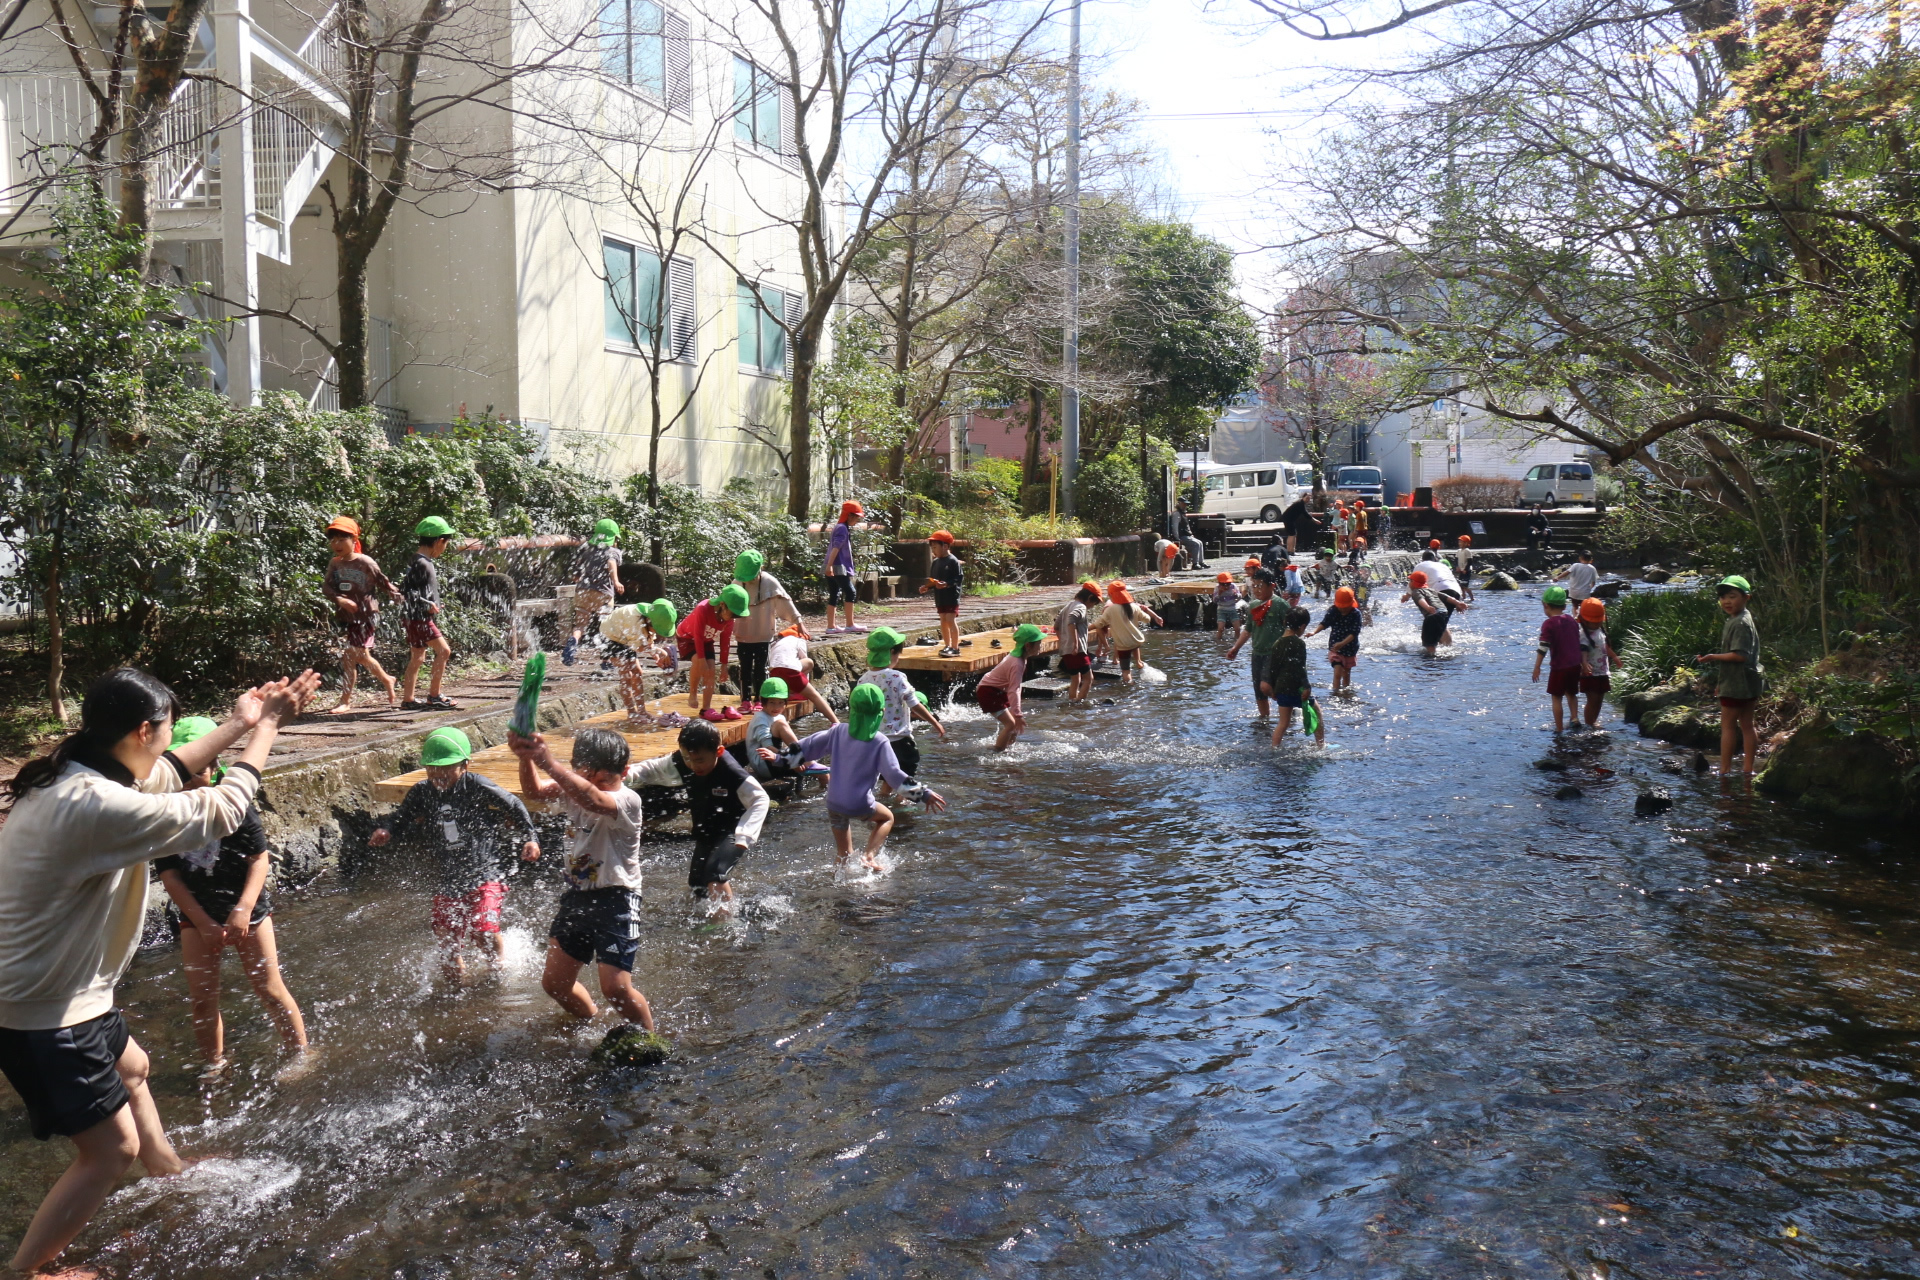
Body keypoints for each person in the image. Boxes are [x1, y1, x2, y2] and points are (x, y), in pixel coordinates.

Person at [0, 665, 318, 1277]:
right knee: (107, 1152)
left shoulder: (77, 774)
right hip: (43, 1010)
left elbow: (165, 775)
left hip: (71, 994)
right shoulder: (92, 805)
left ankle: (167, 1170)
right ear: (145, 730)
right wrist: (269, 729)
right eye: (167, 732)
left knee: (136, 1068)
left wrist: (237, 725)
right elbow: (223, 808)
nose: (170, 745)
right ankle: (27, 1269)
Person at [153, 717, 308, 1074]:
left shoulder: (233, 804)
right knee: (202, 1001)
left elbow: (258, 859)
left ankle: (299, 1052)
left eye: (198, 773)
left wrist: (243, 909)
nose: (190, 783)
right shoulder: (169, 812)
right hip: (197, 912)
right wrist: (204, 922)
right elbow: (170, 875)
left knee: (269, 988)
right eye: (184, 775)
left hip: (247, 909)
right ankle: (215, 1064)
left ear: (216, 765)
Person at [508, 727, 656, 1030]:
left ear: (624, 773)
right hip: (578, 895)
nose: (593, 785)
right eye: (587, 777)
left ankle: (650, 1039)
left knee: (615, 989)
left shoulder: (628, 801)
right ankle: (591, 1020)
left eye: (604, 780)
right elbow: (534, 793)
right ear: (577, 770)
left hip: (618, 897)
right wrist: (525, 759)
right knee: (555, 984)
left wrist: (548, 761)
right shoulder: (573, 787)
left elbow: (594, 801)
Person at [368, 727, 540, 981]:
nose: (438, 775)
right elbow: (402, 815)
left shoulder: (477, 786)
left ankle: (497, 973)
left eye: (446, 769)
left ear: (465, 765)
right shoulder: (422, 791)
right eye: (432, 769)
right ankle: (455, 988)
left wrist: (530, 837)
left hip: (486, 874)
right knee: (446, 938)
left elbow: (513, 803)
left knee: (483, 931)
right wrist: (387, 829)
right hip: (450, 877)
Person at [796, 685, 948, 873]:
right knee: (887, 818)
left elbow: (805, 746)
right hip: (859, 803)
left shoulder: (837, 732)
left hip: (834, 803)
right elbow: (894, 777)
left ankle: (840, 887)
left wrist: (779, 758)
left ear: (852, 710)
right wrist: (924, 794)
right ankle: (869, 856)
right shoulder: (879, 741)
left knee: (843, 855)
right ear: (881, 712)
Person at [625, 719, 770, 915]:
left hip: (732, 833)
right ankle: (702, 917)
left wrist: (744, 835)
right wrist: (623, 775)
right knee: (697, 884)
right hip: (706, 831)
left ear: (718, 751)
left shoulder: (731, 772)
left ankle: (726, 923)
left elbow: (761, 800)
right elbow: (650, 769)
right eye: (687, 758)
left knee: (715, 874)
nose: (693, 765)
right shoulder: (684, 760)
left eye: (699, 760)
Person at [322, 516, 400, 713]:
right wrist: (339, 599)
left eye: (341, 539)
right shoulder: (335, 563)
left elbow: (382, 581)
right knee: (357, 656)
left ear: (354, 540)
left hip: (366, 614)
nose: (336, 544)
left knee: (351, 654)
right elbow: (327, 587)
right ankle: (385, 679)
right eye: (333, 540)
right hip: (348, 616)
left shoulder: (365, 561)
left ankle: (345, 701)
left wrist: (395, 593)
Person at [1696, 575, 1763, 783]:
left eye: (1732, 596)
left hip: (1737, 683)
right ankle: (1747, 769)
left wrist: (1711, 657)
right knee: (1747, 725)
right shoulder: (1742, 617)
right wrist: (1719, 683)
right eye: (1723, 597)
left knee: (1728, 726)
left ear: (1746, 597)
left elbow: (1739, 655)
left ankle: (1724, 770)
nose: (1726, 601)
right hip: (1749, 681)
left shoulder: (1740, 623)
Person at [857, 627, 947, 776]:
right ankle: (900, 799)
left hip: (875, 740)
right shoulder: (897, 677)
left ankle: (884, 797)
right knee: (905, 776)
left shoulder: (863, 680)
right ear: (892, 652)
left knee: (887, 774)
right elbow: (915, 704)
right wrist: (935, 723)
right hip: (898, 739)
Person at [730, 549, 804, 713]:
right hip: (743, 635)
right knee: (745, 668)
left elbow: (786, 602)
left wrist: (798, 622)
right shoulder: (737, 583)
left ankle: (760, 699)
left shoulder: (769, 582)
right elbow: (727, 607)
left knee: (761, 669)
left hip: (763, 635)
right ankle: (746, 700)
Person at [400, 516, 458, 710]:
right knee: (444, 651)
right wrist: (427, 604)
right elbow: (407, 591)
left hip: (412, 617)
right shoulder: (423, 563)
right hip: (419, 618)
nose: (445, 547)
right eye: (446, 543)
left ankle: (408, 699)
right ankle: (434, 695)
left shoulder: (418, 561)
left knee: (417, 657)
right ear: (439, 541)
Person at [677, 583, 749, 722]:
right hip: (687, 638)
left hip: (706, 640)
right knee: (699, 661)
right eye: (732, 613)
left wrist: (724, 665)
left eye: (736, 615)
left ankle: (706, 709)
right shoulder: (703, 608)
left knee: (711, 669)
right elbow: (697, 635)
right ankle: (692, 693)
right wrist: (702, 659)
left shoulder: (729, 620)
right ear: (722, 604)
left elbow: (725, 641)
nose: (733, 617)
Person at [974, 623, 1044, 751]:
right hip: (989, 692)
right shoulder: (1017, 663)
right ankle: (997, 754)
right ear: (1028, 646)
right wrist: (1018, 714)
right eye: (1038, 642)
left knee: (1014, 725)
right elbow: (1014, 690)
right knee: (1011, 724)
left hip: (997, 691)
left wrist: (1017, 713)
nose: (1041, 645)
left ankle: (1007, 747)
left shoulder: (1019, 656)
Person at [563, 518, 623, 666]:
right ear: (613, 537)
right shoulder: (612, 551)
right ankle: (605, 660)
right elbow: (611, 562)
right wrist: (615, 581)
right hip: (603, 593)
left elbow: (576, 574)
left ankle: (574, 641)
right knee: (606, 627)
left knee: (580, 625)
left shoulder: (587, 551)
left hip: (583, 591)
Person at [1225, 569, 1284, 719]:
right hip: (1257, 653)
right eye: (1254, 586)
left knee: (1266, 686)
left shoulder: (1280, 605)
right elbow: (1248, 630)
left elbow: (1291, 628)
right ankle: (1264, 720)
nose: (1256, 589)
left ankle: (1287, 700)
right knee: (1259, 691)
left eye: (1260, 586)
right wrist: (1236, 648)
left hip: (1274, 653)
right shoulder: (1253, 605)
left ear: (1272, 586)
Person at [1265, 608, 1324, 748]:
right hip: (1297, 689)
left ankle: (1275, 748)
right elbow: (1300, 667)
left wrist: (1273, 689)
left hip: (1281, 689)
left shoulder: (1277, 643)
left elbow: (1273, 668)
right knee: (1317, 713)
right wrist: (1307, 686)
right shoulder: (1298, 643)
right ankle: (1321, 746)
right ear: (1302, 626)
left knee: (1283, 722)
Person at [1531, 585, 1582, 731]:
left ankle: (1559, 728)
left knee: (1556, 697)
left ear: (1545, 605)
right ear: (1564, 606)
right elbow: (1577, 641)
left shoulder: (1548, 624)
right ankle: (1574, 718)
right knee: (1572, 693)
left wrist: (1537, 667)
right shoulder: (1572, 620)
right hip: (1575, 665)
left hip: (1559, 667)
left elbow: (1543, 647)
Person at [1093, 581, 1162, 685]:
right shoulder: (1134, 606)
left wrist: (1086, 628)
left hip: (1124, 645)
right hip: (1136, 641)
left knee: (1125, 671)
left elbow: (1098, 624)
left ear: (1111, 595)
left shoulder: (1110, 609)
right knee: (1131, 645)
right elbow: (1147, 619)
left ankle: (1129, 687)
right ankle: (1139, 664)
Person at [769, 624, 837, 725]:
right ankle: (836, 723)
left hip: (773, 672)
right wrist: (805, 687)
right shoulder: (799, 640)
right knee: (815, 694)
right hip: (790, 670)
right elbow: (802, 660)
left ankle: (789, 692)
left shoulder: (776, 643)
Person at [746, 677, 810, 783]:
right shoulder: (760, 718)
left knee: (813, 765)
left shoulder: (779, 717)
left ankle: (823, 784)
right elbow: (768, 747)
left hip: (775, 759)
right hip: (764, 764)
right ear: (763, 701)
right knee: (781, 725)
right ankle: (798, 755)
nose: (777, 707)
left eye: (780, 703)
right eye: (772, 702)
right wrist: (791, 762)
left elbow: (785, 744)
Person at [1308, 585, 1364, 694]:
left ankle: (1346, 693)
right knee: (1337, 672)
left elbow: (1354, 633)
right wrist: (1314, 632)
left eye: (1345, 607)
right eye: (1341, 607)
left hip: (1350, 647)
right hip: (1335, 648)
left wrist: (1342, 643)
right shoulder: (1333, 611)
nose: (1343, 609)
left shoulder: (1356, 614)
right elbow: (1324, 624)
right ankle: (1335, 693)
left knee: (1346, 673)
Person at [920, 530, 965, 656]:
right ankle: (947, 645)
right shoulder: (935, 562)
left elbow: (959, 578)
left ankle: (955, 647)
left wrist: (946, 584)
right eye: (932, 548)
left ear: (945, 546)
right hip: (940, 597)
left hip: (951, 595)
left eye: (935, 547)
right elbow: (933, 580)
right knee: (943, 620)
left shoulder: (953, 561)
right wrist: (926, 587)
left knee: (950, 619)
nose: (933, 550)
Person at [1055, 580, 1101, 702]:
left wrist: (1064, 641)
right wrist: (1075, 644)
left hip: (1066, 650)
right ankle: (1080, 703)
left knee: (1075, 679)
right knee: (1089, 678)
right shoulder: (1081, 607)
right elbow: (1071, 620)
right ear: (1090, 598)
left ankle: (1072, 702)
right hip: (1078, 650)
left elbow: (1056, 626)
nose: (1092, 607)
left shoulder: (1068, 605)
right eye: (1094, 603)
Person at [823, 501, 865, 634]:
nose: (857, 520)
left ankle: (831, 626)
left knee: (834, 594)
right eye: (856, 517)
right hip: (838, 566)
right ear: (849, 515)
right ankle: (850, 624)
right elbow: (836, 548)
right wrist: (830, 566)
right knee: (851, 592)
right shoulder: (842, 528)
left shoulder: (839, 527)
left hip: (832, 565)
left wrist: (828, 566)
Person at [1577, 597, 1619, 728]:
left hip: (1602, 671)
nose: (1596, 624)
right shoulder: (1583, 633)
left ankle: (1593, 720)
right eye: (1593, 622)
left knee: (1600, 697)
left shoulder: (1599, 630)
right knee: (1592, 699)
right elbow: (1582, 650)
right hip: (1589, 672)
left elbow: (1605, 647)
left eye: (1598, 622)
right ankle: (1589, 723)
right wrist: (1584, 663)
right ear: (1584, 620)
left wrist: (1615, 657)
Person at [1404, 570, 1450, 657]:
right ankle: (1447, 648)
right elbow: (1445, 596)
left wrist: (1427, 607)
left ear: (1413, 582)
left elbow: (1421, 600)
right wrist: (1458, 603)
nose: (1409, 583)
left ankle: (1431, 656)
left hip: (1432, 615)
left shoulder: (1416, 591)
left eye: (1410, 581)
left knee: (1428, 641)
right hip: (1443, 612)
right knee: (1438, 634)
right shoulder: (1431, 590)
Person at [1176, 500, 1208, 569]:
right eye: (1183, 504)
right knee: (1195, 544)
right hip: (1182, 536)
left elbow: (1186, 526)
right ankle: (1195, 563)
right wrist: (1177, 538)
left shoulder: (1183, 514)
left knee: (1200, 542)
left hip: (1187, 535)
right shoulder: (1177, 514)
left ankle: (1200, 562)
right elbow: (1175, 527)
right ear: (1179, 504)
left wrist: (1190, 534)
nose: (1185, 506)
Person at [1213, 572, 1244, 639]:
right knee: (1220, 629)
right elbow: (1214, 600)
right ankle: (1218, 642)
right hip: (1221, 609)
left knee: (1237, 629)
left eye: (1228, 584)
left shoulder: (1233, 586)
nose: (1226, 586)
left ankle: (1237, 641)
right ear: (1219, 584)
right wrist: (1219, 594)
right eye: (1223, 584)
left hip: (1232, 608)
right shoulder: (1217, 588)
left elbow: (1240, 597)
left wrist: (1236, 594)